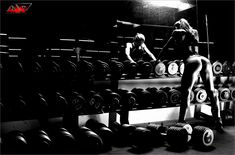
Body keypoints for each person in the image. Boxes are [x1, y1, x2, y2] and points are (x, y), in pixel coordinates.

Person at [157, 18, 224, 133]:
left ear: (178, 26)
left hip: (192, 61)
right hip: (204, 60)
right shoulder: (194, 32)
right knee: (212, 91)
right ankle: (218, 120)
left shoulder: (176, 33)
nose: (174, 28)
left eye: (175, 26)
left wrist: (157, 59)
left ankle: (181, 120)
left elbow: (164, 48)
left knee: (186, 91)